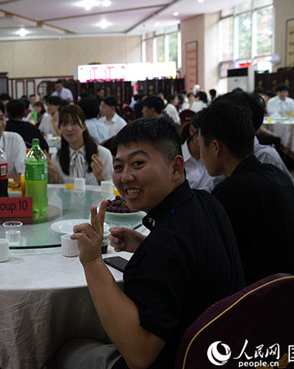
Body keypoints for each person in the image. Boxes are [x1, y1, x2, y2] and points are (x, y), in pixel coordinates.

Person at [57, 118, 244, 369]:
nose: (125, 177)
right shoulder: (205, 202)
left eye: (138, 164)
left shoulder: (166, 244)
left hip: (178, 359)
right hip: (221, 348)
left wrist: (92, 261)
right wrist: (145, 244)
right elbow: (190, 263)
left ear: (176, 167)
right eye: (119, 166)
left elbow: (139, 355)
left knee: (66, 349)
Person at [197, 97, 294, 285]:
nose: (200, 154)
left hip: (273, 303)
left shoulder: (232, 191)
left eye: (200, 146)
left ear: (215, 147)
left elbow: (211, 257)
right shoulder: (275, 174)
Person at [49, 105, 112, 185]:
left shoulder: (102, 154)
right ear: (60, 128)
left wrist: (99, 176)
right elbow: (58, 193)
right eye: (64, 124)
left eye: (74, 123)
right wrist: (54, 176)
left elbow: (112, 192)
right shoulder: (56, 158)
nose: (69, 129)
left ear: (84, 126)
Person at [180, 113, 214, 192]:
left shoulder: (216, 157)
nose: (210, 141)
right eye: (206, 135)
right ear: (192, 130)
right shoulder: (175, 156)